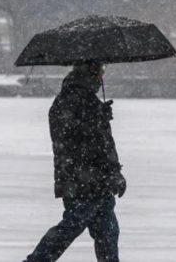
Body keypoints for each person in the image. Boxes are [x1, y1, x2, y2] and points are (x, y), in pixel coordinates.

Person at [24, 61, 126, 262]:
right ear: (93, 73)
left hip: (97, 180)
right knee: (71, 227)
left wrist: (114, 171)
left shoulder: (88, 101)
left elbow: (103, 144)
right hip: (81, 180)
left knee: (108, 232)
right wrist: (96, 120)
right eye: (101, 71)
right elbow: (75, 141)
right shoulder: (71, 101)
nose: (102, 77)